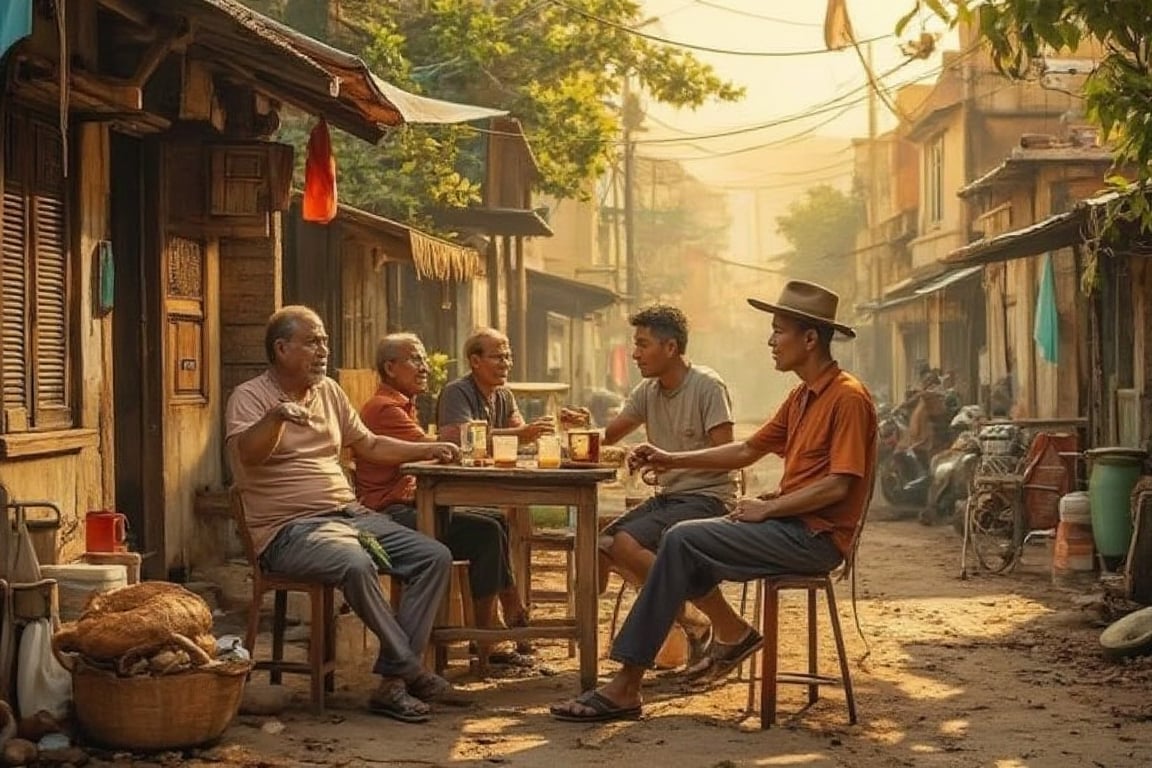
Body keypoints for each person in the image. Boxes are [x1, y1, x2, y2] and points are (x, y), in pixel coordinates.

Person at [550, 280, 877, 722]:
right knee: (678, 545)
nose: (771, 341)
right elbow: (744, 452)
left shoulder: (847, 397)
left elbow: (839, 485)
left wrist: (768, 507)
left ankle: (629, 683)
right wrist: (671, 457)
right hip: (788, 525)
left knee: (681, 539)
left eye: (778, 331)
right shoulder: (800, 397)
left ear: (810, 338)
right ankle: (727, 634)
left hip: (814, 537)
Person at [226, 306, 462, 724]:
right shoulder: (250, 397)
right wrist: (277, 416)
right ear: (282, 349)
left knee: (434, 556)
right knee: (355, 562)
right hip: (289, 531)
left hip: (348, 516)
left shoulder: (330, 392)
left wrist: (426, 449)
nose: (323, 350)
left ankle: (392, 682)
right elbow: (248, 453)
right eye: (312, 341)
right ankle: (411, 668)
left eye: (325, 341)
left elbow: (368, 444)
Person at [355, 332, 534, 667]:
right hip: (388, 514)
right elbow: (440, 450)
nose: (425, 368)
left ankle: (490, 630)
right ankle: (489, 634)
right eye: (416, 360)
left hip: (410, 504)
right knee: (485, 532)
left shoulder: (405, 406)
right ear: (391, 368)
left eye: (424, 360)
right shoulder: (385, 409)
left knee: (493, 521)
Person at [598, 304, 737, 662]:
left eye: (643, 344)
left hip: (708, 498)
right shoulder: (648, 391)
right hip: (671, 498)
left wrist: (673, 459)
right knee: (603, 543)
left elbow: (730, 455)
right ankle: (693, 619)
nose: (635, 353)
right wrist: (574, 435)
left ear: (671, 348)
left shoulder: (707, 385)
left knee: (626, 543)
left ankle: (710, 622)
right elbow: (609, 436)